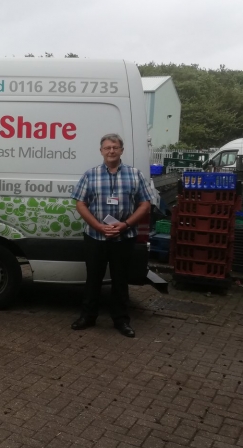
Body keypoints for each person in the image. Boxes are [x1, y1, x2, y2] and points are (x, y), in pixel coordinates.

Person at [70, 133, 153, 338]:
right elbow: (80, 203)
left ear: (121, 150)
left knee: (120, 280)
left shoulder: (135, 175)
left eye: (115, 147)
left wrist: (125, 225)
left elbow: (146, 204)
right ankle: (88, 317)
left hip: (124, 237)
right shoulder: (91, 175)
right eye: (107, 148)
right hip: (95, 236)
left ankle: (121, 320)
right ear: (101, 151)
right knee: (93, 279)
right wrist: (98, 226)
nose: (111, 151)